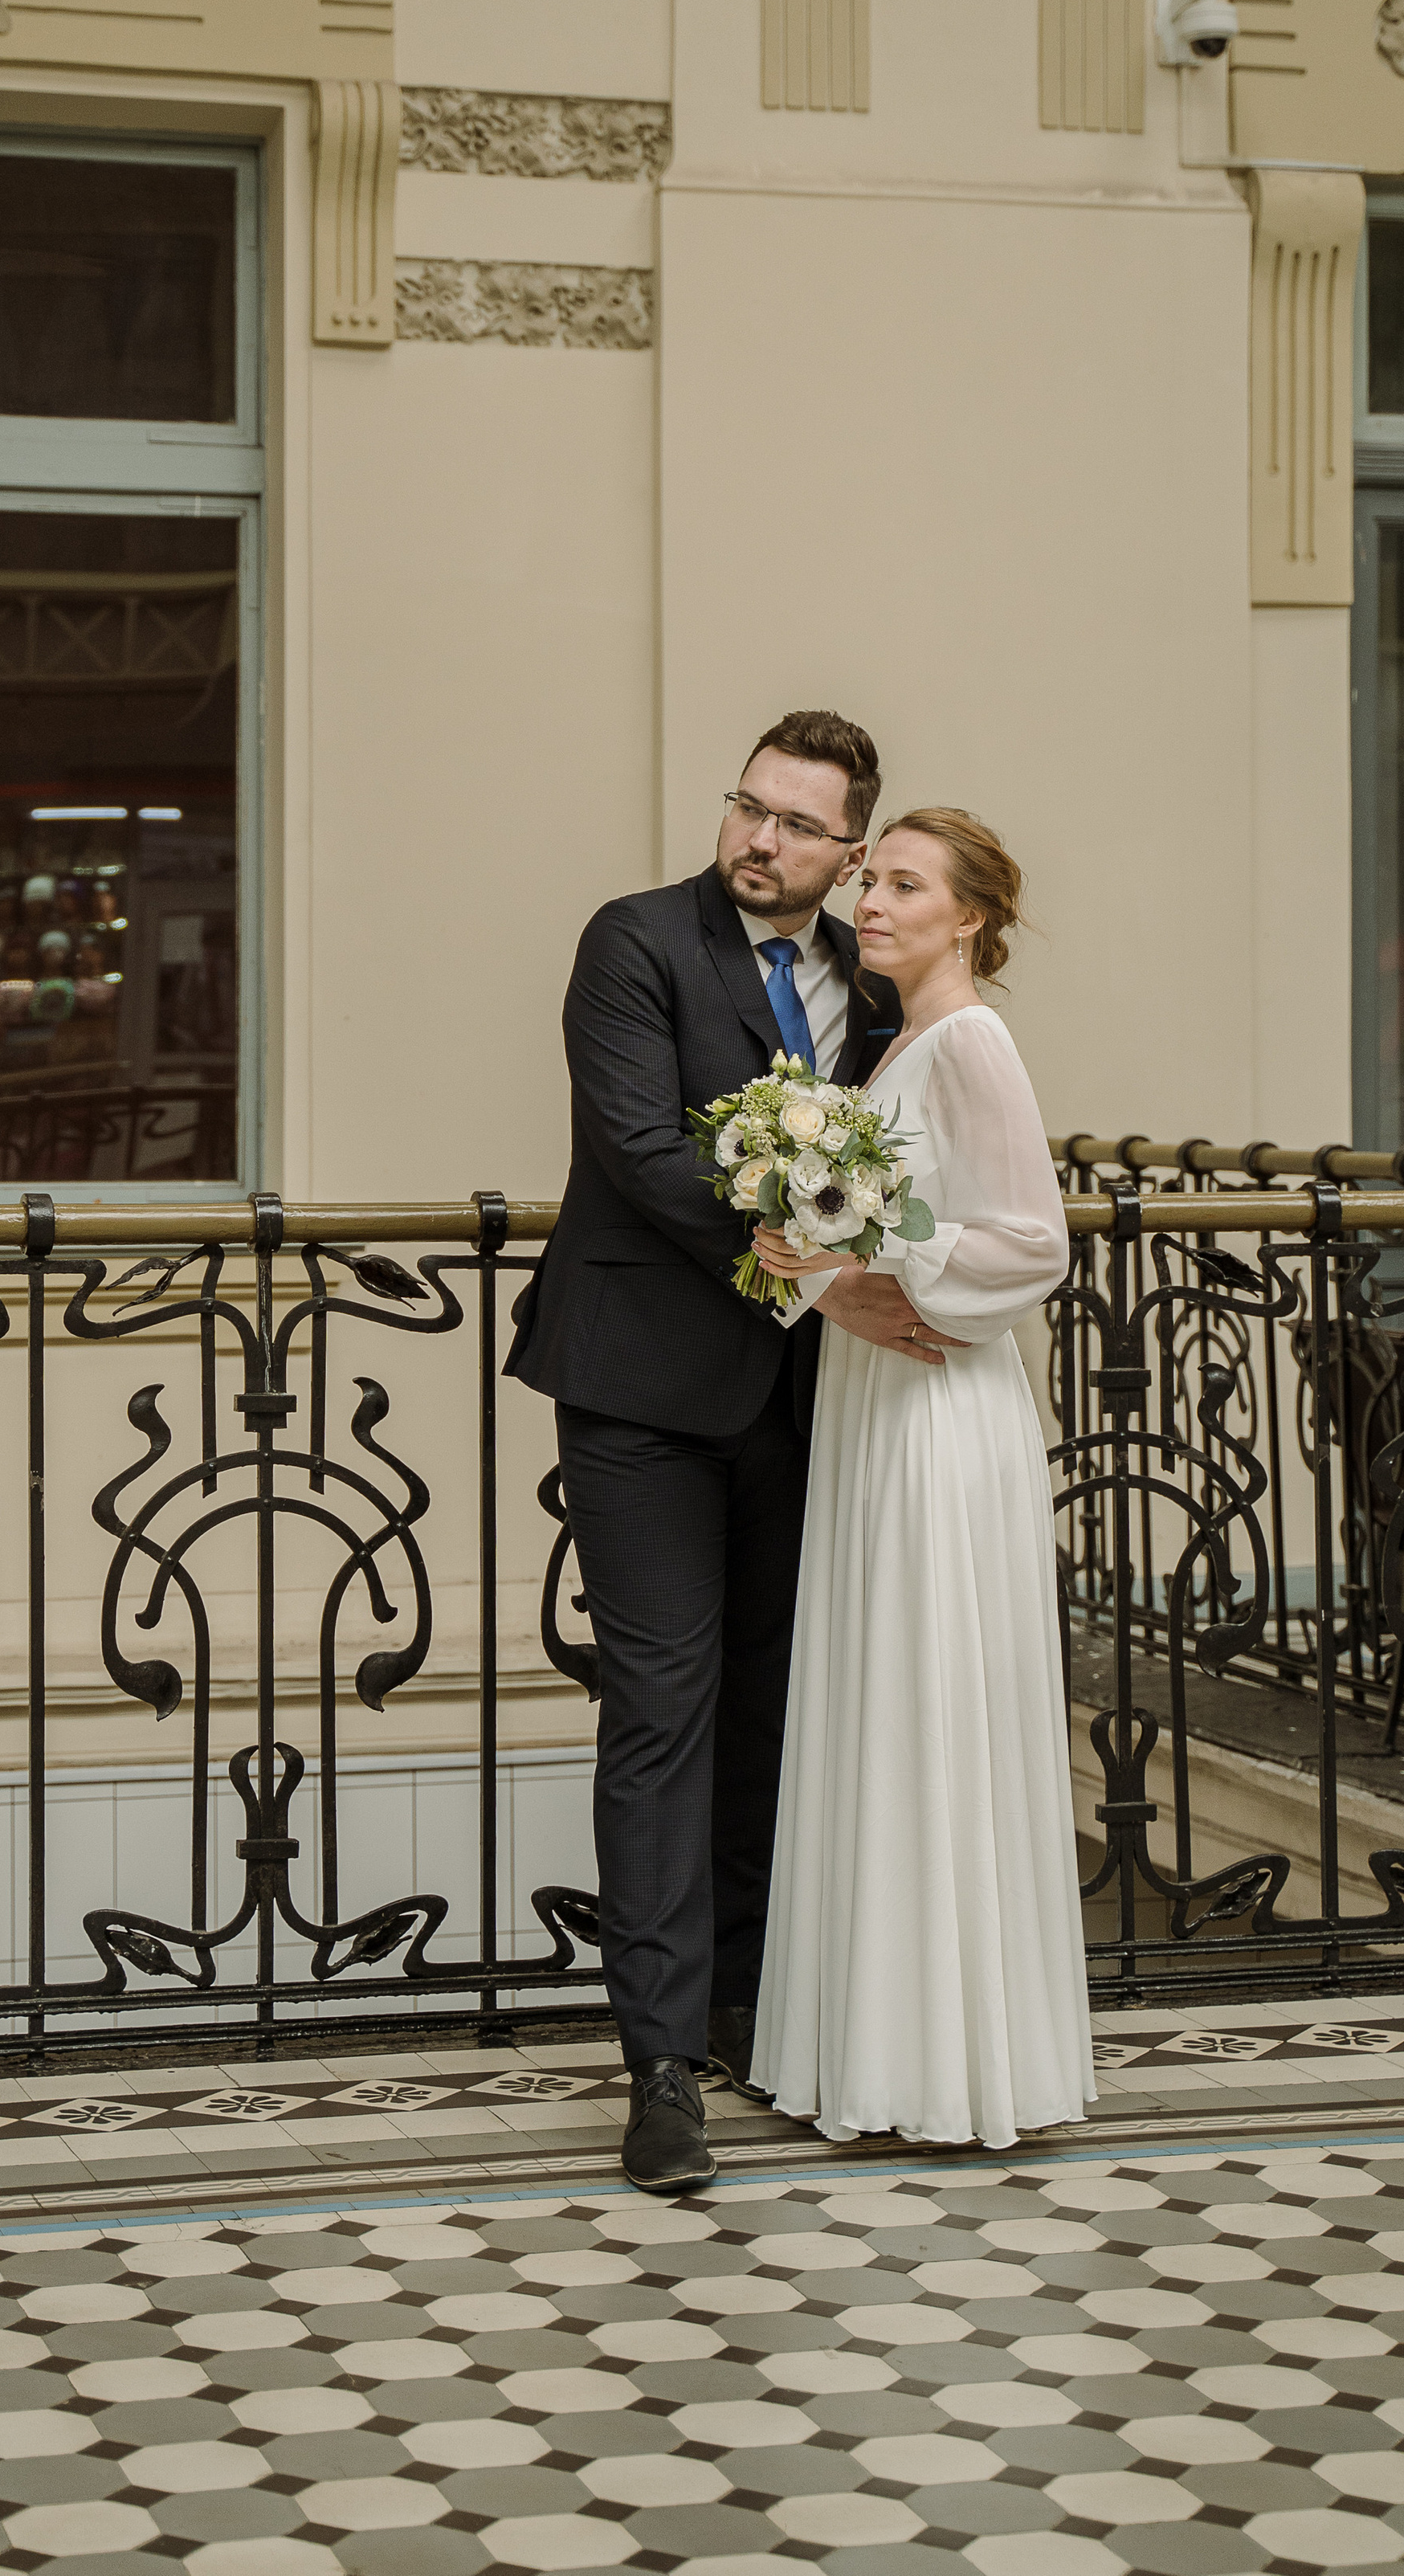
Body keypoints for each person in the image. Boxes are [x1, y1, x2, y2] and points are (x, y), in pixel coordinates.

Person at [508, 711, 933, 2193]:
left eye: (797, 826)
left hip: (808, 1398)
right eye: (748, 808)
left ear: (850, 851)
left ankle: (754, 2007)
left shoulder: (873, 986)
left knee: (774, 1703)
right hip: (638, 1388)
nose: (760, 840)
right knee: (665, 1708)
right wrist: (828, 1268)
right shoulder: (635, 941)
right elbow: (642, 1147)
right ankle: (660, 2066)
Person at [748, 810, 1093, 2148]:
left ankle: (950, 2066)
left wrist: (865, 1257)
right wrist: (817, 1262)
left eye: (903, 885)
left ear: (970, 917)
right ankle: (884, 2049)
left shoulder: (974, 1040)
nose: (871, 900)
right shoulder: (896, 1045)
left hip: (941, 1407)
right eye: (869, 878)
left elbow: (1030, 1241)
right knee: (882, 1695)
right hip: (881, 1398)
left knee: (931, 1694)